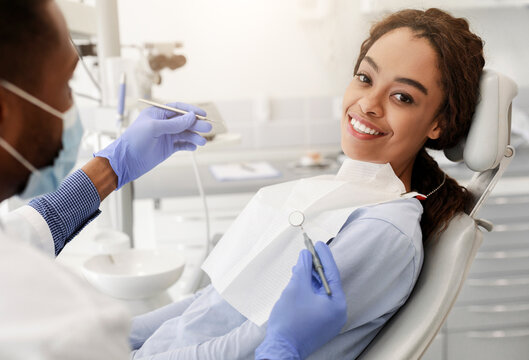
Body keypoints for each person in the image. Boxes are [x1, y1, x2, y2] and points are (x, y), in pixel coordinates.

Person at [129, 8, 484, 360]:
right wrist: (120, 337)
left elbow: (247, 347)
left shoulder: (384, 230)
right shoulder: (352, 195)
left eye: (402, 97)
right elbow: (214, 302)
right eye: (365, 78)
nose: (368, 104)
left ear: (438, 123)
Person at [0, 1, 347, 359]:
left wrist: (113, 167)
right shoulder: (53, 327)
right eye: (64, 87)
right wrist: (280, 347)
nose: (71, 107)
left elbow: (25, 233)